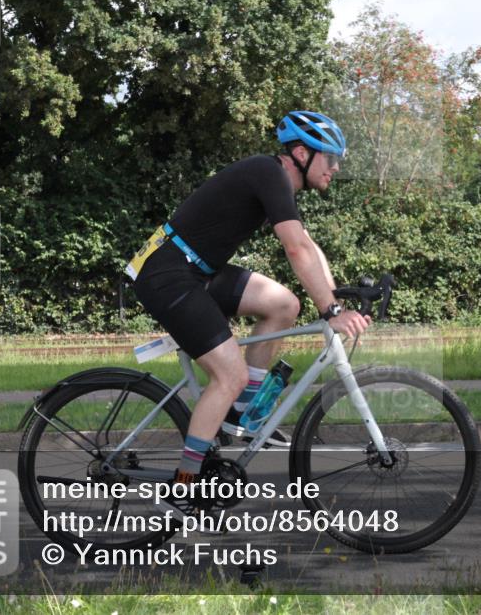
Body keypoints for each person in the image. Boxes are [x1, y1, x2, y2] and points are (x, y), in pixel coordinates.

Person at [126, 110, 371, 515]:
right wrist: (330, 310)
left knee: (284, 305)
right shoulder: (268, 172)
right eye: (330, 158)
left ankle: (243, 412)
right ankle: (185, 486)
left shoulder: (277, 182)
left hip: (196, 272)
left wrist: (335, 296)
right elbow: (296, 251)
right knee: (230, 374)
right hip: (167, 274)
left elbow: (307, 246)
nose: (336, 167)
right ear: (301, 153)